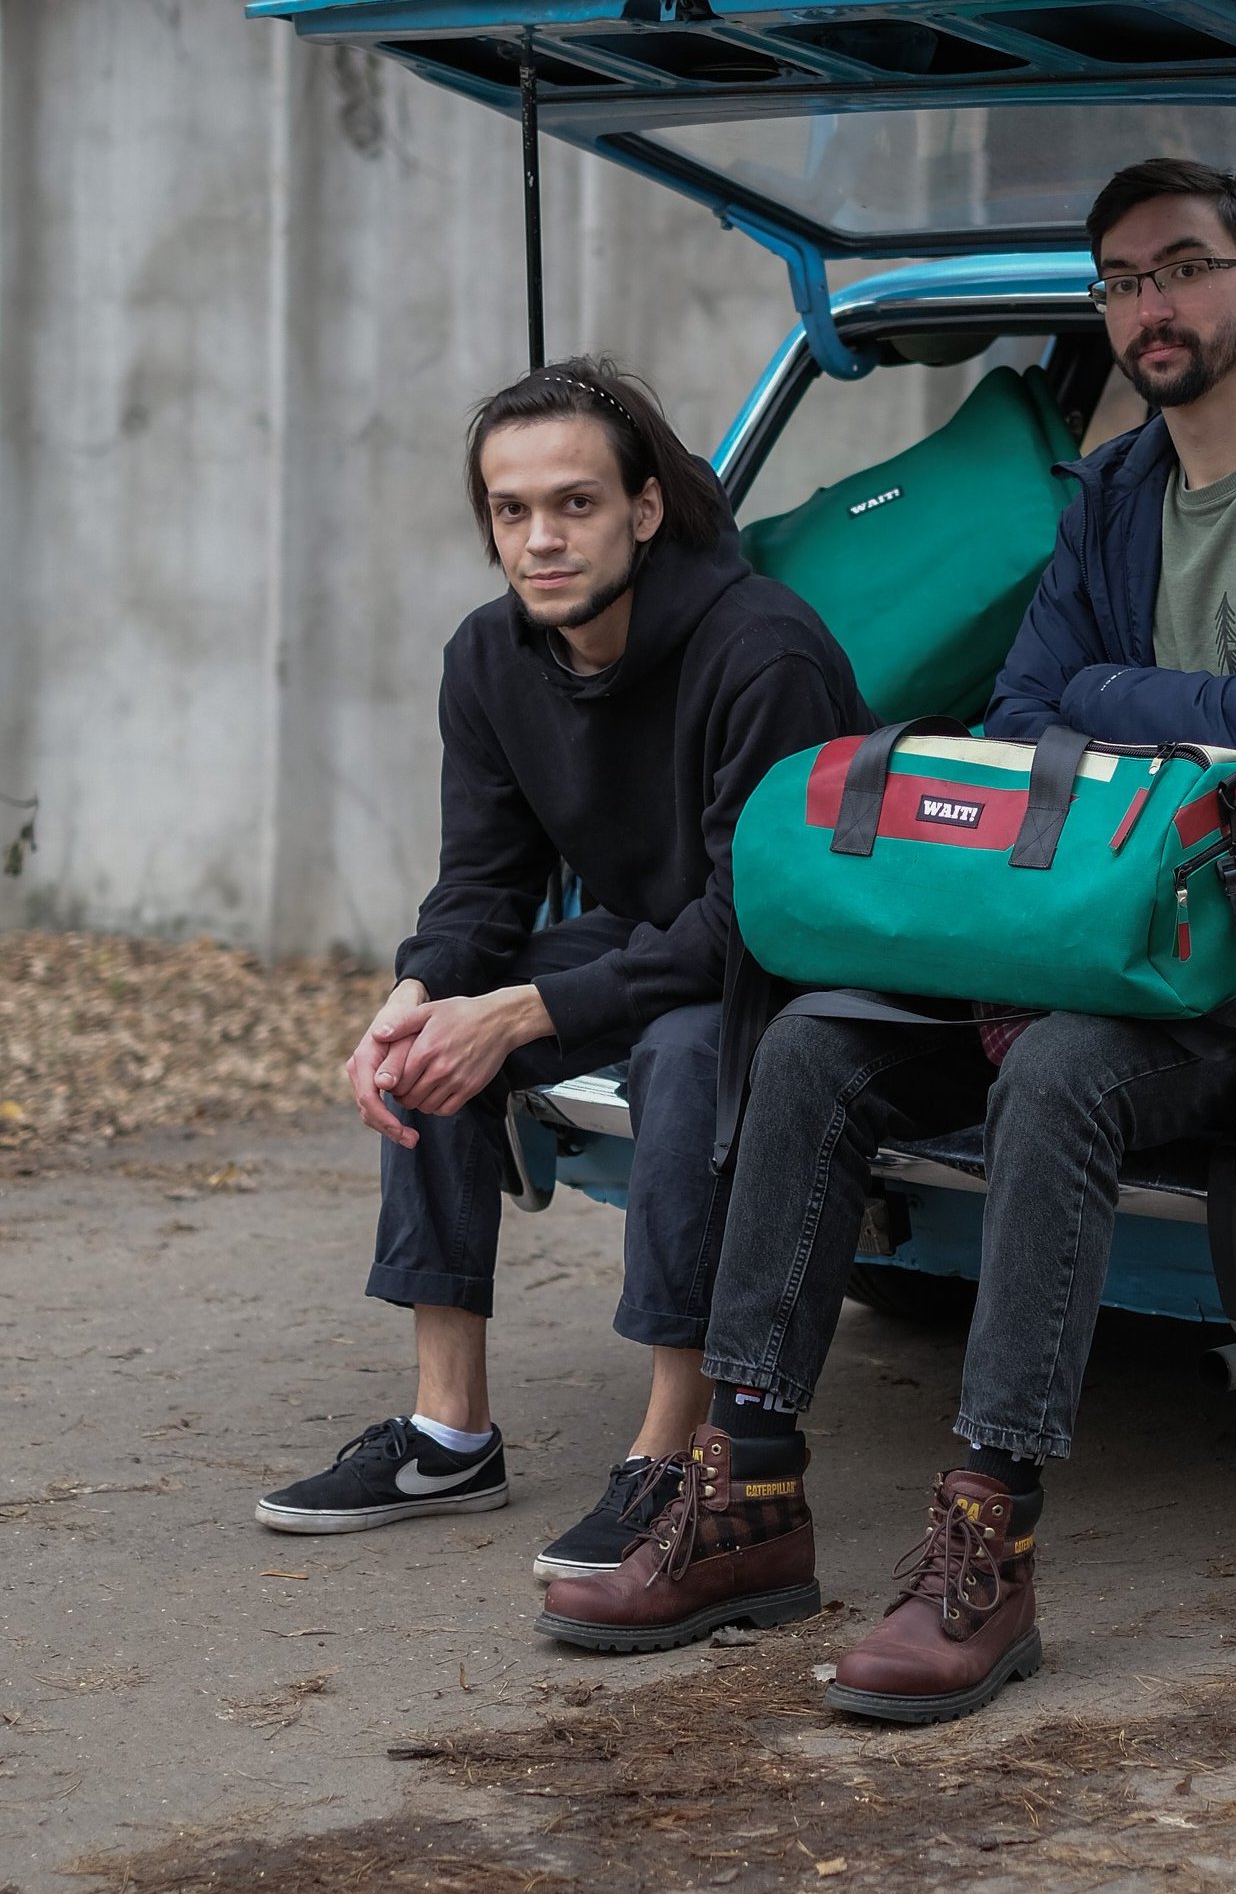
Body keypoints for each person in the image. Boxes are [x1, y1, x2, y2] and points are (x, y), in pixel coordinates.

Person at [532, 158, 1236, 1722]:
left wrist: (1146, 707)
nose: (1149, 307)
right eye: (1120, 281)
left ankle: (988, 1547)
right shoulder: (1106, 500)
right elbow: (1035, 712)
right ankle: (750, 1492)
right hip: (1059, 930)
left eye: (1181, 268)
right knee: (824, 1040)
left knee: (1062, 1081)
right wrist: (1188, 709)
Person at [255, 361, 867, 1581]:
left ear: (645, 508)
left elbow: (752, 923)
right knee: (433, 1042)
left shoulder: (764, 651)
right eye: (512, 510)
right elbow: (484, 882)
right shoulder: (489, 658)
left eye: (575, 504)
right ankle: (449, 1431)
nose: (541, 538)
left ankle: (674, 1453)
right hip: (655, 932)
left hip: (789, 959)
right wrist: (417, 994)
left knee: (690, 1053)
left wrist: (530, 1006)